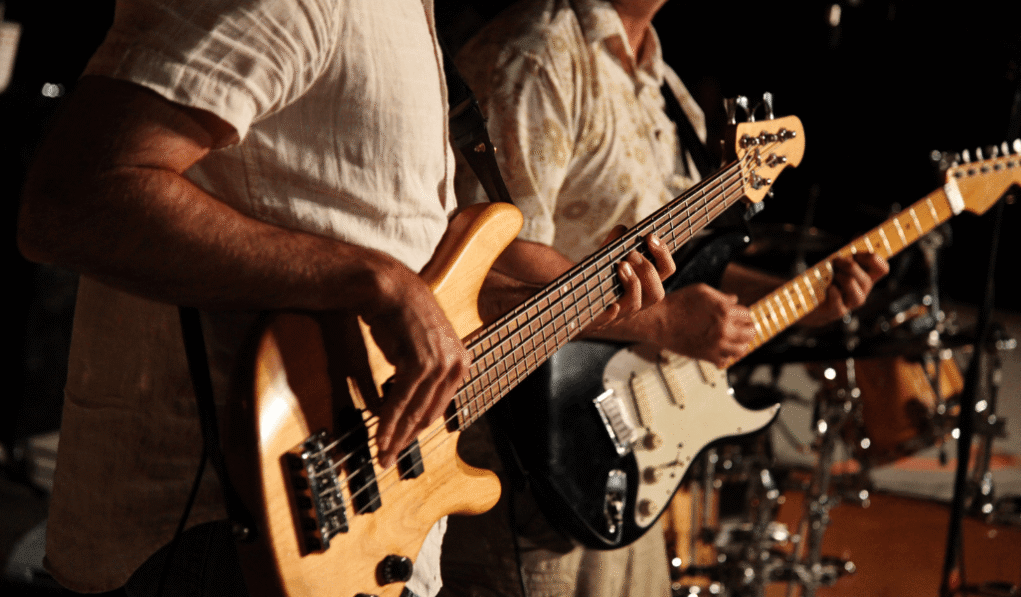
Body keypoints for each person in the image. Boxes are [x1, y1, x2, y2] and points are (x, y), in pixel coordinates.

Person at [15, 0, 676, 595]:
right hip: (223, 533)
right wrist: (370, 281)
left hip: (358, 528)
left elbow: (378, 238)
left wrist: (552, 292)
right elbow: (72, 199)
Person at [438, 0, 889, 596]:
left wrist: (806, 299)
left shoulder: (664, 84)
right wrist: (660, 322)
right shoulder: (537, 53)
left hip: (629, 452)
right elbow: (494, 257)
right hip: (532, 453)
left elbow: (686, 279)